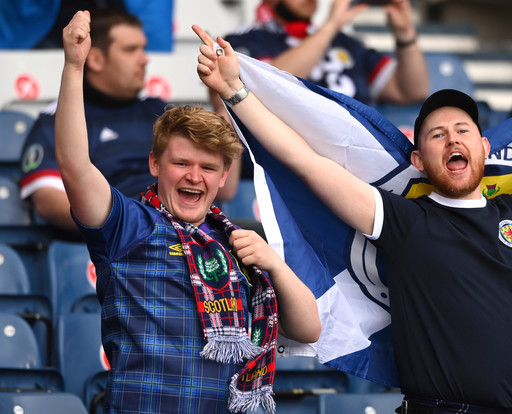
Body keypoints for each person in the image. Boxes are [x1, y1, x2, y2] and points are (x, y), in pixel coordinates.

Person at [193, 20, 512, 412]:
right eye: (437, 134)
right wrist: (237, 92)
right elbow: (305, 160)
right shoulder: (401, 220)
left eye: (462, 129)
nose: (452, 139)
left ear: (484, 148)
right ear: (418, 160)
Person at [56, 10, 321, 413]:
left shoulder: (237, 244)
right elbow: (76, 167)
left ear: (224, 177)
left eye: (208, 168)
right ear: (155, 165)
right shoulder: (128, 225)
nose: (194, 177)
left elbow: (308, 329)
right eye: (181, 163)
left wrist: (276, 267)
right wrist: (74, 66)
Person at [18, 7, 239, 234]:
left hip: (194, 235)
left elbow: (226, 189)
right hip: (118, 240)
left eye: (143, 48)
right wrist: (131, 223)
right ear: (95, 59)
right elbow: (48, 200)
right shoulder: (55, 120)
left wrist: (222, 99)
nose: (144, 59)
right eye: (130, 50)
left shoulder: (161, 111)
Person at [222, 0, 429, 106]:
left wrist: (405, 35)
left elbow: (410, 92)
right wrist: (330, 26)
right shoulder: (244, 40)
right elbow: (265, 87)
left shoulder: (346, 43)